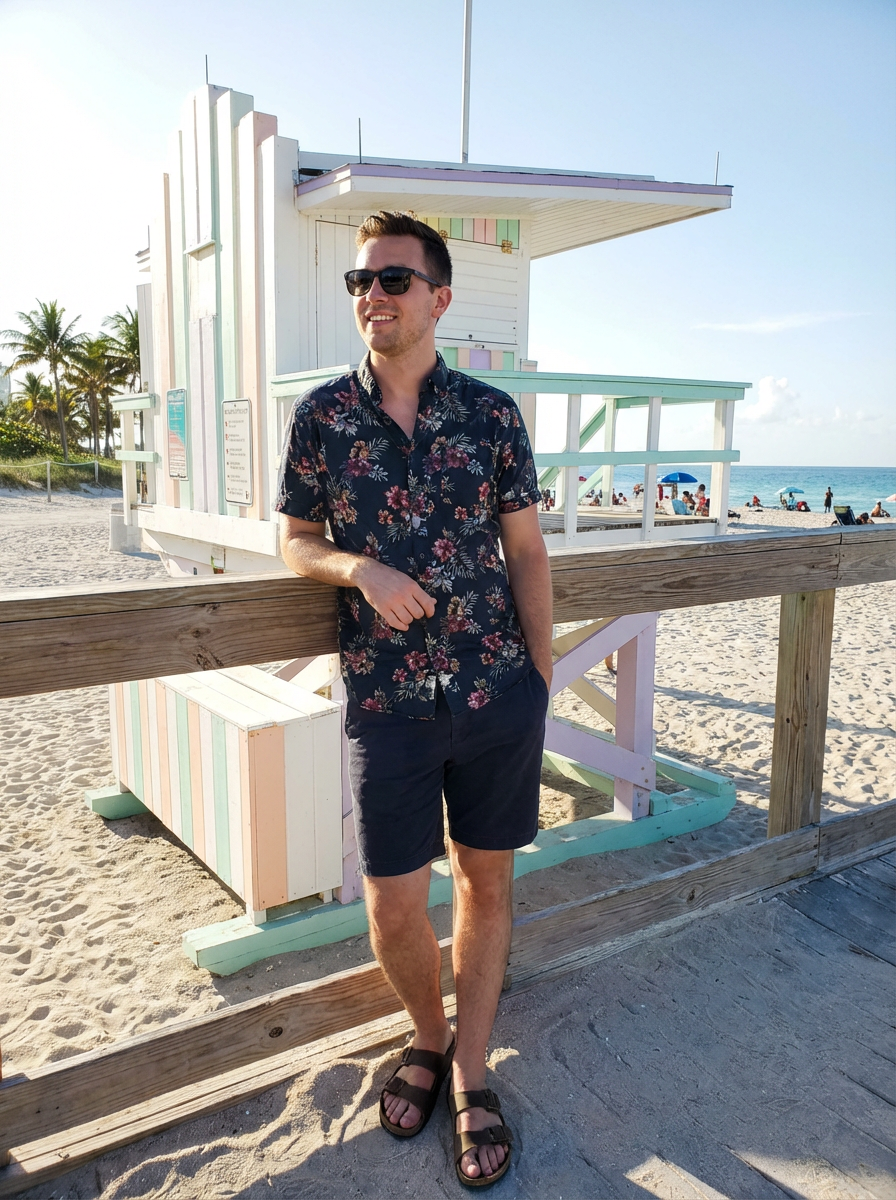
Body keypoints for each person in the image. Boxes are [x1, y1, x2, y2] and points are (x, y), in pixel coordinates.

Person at [275, 211, 552, 1188]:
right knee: (393, 901)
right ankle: (426, 1035)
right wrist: (359, 569)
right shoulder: (321, 417)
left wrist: (539, 678)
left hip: (494, 689)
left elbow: (526, 550)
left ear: (438, 297)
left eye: (393, 279)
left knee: (486, 885)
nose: (373, 296)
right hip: (386, 700)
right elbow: (294, 542)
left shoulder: (491, 416)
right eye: (361, 281)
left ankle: (471, 1070)